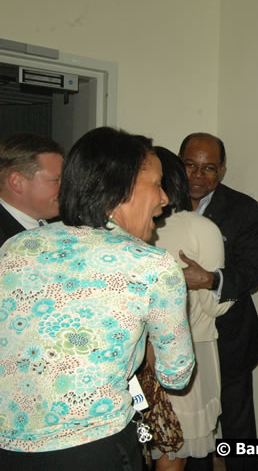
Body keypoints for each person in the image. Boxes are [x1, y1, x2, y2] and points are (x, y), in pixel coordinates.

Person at [0, 127, 195, 470]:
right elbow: (176, 375)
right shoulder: (153, 266)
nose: (165, 199)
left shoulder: (16, 247)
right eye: (156, 184)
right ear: (123, 187)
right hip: (93, 448)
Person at [178, 132, 258, 471]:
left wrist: (212, 280)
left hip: (230, 337)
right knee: (190, 432)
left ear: (222, 170)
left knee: (239, 431)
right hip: (178, 340)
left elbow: (252, 272)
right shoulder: (160, 204)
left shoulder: (245, 209)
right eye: (190, 165)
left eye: (209, 168)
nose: (198, 176)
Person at [150, 147, 228, 471]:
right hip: (187, 351)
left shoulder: (125, 229)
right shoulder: (200, 228)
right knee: (173, 452)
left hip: (142, 352)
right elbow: (216, 308)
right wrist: (216, 283)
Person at [0, 132, 64, 245]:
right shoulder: (6, 243)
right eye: (56, 180)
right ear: (17, 182)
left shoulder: (64, 226)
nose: (65, 188)